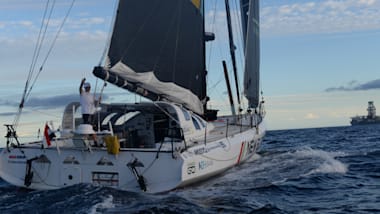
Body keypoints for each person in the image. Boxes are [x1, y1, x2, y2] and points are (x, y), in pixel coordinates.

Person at [79, 78, 100, 146]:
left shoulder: (92, 95)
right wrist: (82, 82)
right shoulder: (83, 94)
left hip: (92, 113)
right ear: (85, 88)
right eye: (86, 87)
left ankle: (94, 142)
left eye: (88, 87)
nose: (88, 88)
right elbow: (79, 89)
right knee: (87, 128)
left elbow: (96, 103)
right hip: (86, 113)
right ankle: (90, 142)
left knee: (91, 128)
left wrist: (99, 100)